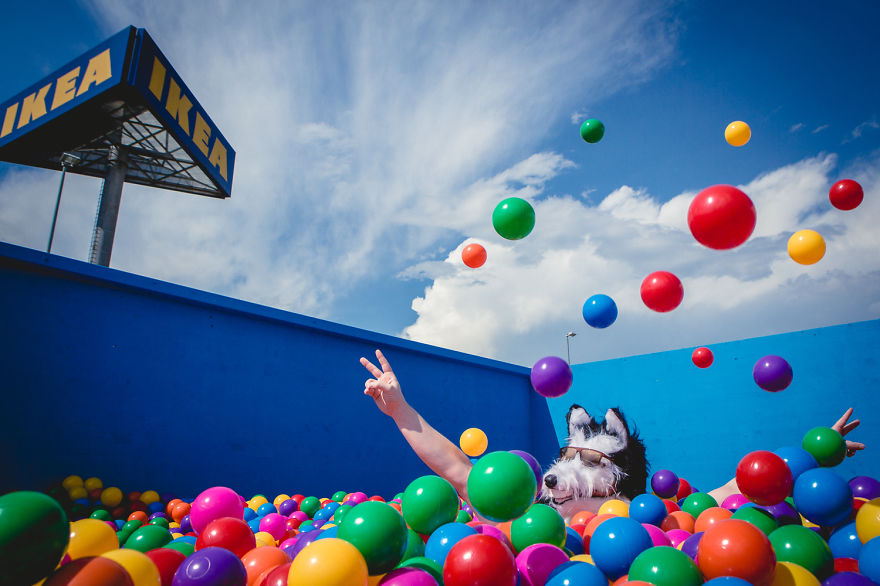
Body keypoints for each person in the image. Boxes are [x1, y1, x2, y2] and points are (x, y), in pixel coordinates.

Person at [360, 349, 865, 518]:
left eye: (591, 461)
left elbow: (739, 488)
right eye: (569, 456)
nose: (565, 473)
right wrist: (400, 409)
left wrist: (815, 453)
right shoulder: (530, 508)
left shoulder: (654, 520)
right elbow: (459, 471)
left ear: (621, 479)